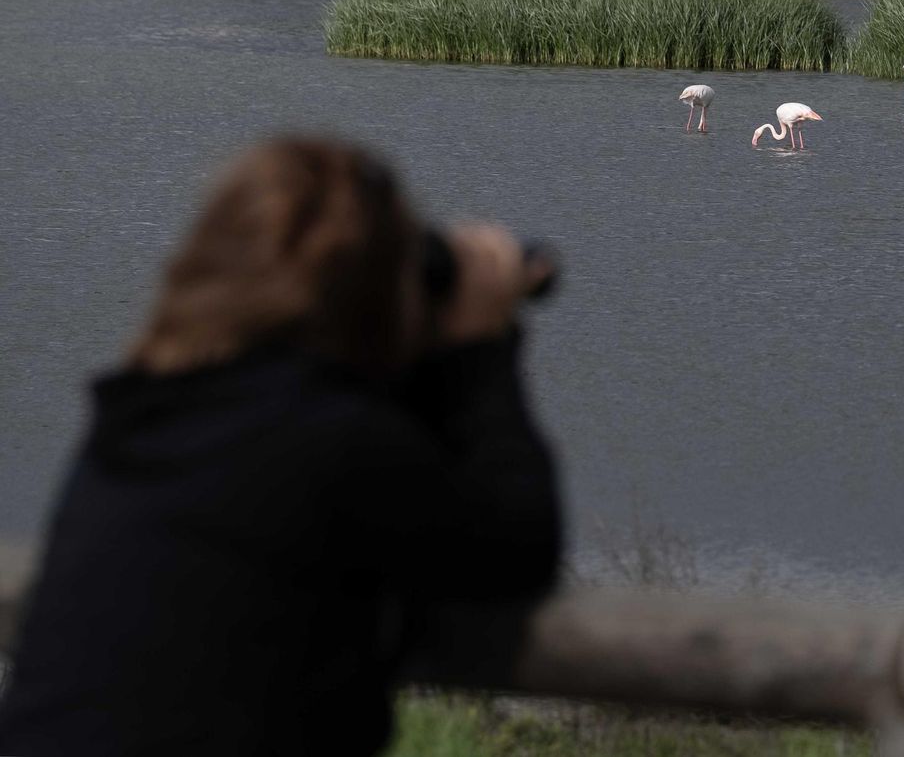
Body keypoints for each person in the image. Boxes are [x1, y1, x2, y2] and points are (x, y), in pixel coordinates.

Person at [0, 137, 563, 756]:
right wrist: (479, 349)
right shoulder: (338, 445)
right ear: (379, 292)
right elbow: (515, 545)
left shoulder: (136, 421)